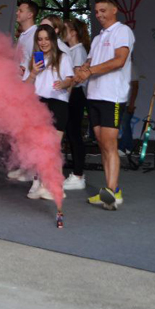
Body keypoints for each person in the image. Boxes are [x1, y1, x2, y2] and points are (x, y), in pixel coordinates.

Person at [73, 0, 135, 210]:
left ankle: (112, 191)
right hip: (94, 95)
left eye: (102, 10)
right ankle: (111, 191)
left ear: (114, 10)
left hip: (112, 96)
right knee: (101, 143)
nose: (98, 15)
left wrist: (89, 70)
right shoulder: (99, 37)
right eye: (96, 11)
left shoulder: (122, 31)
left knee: (109, 144)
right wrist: (81, 70)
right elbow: (90, 61)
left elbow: (119, 61)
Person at [24, 24, 74, 201]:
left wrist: (63, 84)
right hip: (38, 104)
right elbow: (25, 87)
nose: (43, 42)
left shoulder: (63, 58)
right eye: (40, 39)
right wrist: (33, 73)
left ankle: (53, 187)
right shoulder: (35, 59)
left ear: (53, 39)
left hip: (58, 104)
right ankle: (41, 184)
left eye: (46, 38)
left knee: (52, 147)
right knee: (40, 147)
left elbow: (70, 79)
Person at [7, 0, 38, 182]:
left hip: (31, 89)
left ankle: (33, 170)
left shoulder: (36, 34)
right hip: (20, 88)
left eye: (21, 10)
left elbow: (40, 58)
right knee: (20, 132)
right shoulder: (23, 36)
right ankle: (25, 166)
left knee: (30, 131)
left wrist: (30, 72)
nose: (17, 13)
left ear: (30, 14)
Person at [62, 18, 91, 190]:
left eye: (65, 29)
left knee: (74, 134)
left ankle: (78, 174)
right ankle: (75, 173)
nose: (62, 31)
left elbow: (75, 78)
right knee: (71, 134)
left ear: (73, 33)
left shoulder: (78, 51)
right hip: (69, 95)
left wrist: (66, 96)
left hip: (75, 95)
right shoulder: (70, 50)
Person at [118, 58, 139, 156]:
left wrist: (132, 103)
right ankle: (128, 147)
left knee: (125, 125)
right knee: (125, 126)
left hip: (126, 102)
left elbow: (135, 86)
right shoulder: (118, 67)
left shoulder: (131, 67)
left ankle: (123, 147)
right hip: (118, 101)